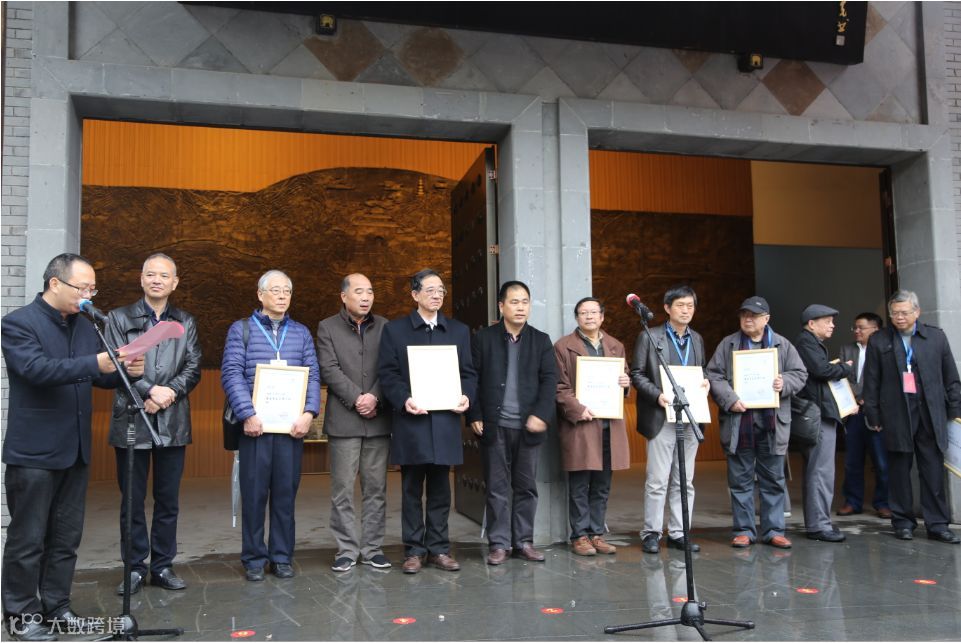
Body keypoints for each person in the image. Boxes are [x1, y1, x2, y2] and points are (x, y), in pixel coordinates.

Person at [2, 253, 142, 641]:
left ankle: (57, 608)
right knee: (28, 540)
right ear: (55, 283)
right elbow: (37, 370)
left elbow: (97, 376)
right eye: (83, 288)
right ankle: (20, 615)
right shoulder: (18, 323)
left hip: (75, 450)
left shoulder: (85, 326)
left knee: (65, 539)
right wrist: (97, 363)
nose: (88, 296)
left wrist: (126, 371)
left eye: (92, 289)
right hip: (34, 453)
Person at [105, 253, 201, 595]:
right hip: (132, 419)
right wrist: (148, 390)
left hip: (172, 421)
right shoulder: (118, 318)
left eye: (164, 275)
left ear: (175, 282)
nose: (156, 280)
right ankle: (133, 568)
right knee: (131, 501)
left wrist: (167, 393)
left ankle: (162, 566)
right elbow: (115, 364)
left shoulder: (185, 321)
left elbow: (193, 366)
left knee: (167, 500)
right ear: (141, 279)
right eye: (150, 274)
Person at [221, 270, 321, 581]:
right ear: (260, 294)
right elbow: (232, 373)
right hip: (256, 428)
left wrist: (309, 413)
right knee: (254, 495)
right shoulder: (241, 330)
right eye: (275, 290)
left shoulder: (301, 333)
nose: (281, 296)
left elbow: (313, 375)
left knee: (285, 495)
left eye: (287, 291)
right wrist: (247, 414)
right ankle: (253, 558)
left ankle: (281, 556)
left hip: (291, 429)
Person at [377, 269, 477, 574]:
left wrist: (466, 396)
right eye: (430, 290)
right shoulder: (395, 331)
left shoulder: (458, 331)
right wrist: (403, 399)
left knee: (440, 490)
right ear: (415, 295)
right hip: (412, 421)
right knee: (411, 489)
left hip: (445, 421)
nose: (437, 295)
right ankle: (414, 551)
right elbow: (388, 373)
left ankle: (439, 548)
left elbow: (468, 373)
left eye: (441, 290)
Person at [467, 281, 557, 565]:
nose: (520, 307)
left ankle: (524, 542)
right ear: (501, 306)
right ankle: (499, 543)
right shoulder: (483, 339)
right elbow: (472, 379)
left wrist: (541, 414)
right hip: (494, 425)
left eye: (525, 302)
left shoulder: (541, 340)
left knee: (526, 487)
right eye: (514, 302)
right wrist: (474, 415)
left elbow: (550, 381)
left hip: (528, 427)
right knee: (496, 487)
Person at [706, 296, 807, 550]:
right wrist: (730, 399)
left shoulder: (782, 345)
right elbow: (713, 375)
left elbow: (800, 373)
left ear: (766, 319)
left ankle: (774, 530)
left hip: (772, 423)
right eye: (744, 315)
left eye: (753, 315)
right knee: (740, 480)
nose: (748, 319)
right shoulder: (728, 344)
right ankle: (743, 530)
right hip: (739, 422)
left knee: (773, 479)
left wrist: (784, 382)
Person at [862, 290, 961, 543]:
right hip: (896, 414)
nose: (899, 317)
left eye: (904, 312)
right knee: (898, 472)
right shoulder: (879, 340)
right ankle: (903, 522)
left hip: (930, 414)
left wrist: (954, 412)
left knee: (933, 471)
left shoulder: (935, 337)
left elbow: (951, 376)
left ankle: (937, 524)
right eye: (895, 313)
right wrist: (873, 415)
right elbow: (871, 381)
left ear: (917, 312)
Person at [316, 274, 391, 573]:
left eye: (370, 292)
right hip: (344, 420)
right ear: (344, 296)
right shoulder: (327, 327)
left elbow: (390, 367)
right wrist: (357, 398)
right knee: (343, 490)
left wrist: (374, 397)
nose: (366, 297)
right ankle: (346, 549)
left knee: (376, 489)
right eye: (359, 291)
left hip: (378, 420)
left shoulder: (385, 326)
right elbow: (328, 368)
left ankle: (372, 549)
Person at [630, 285, 709, 554]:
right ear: (667, 308)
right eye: (680, 305)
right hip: (661, 415)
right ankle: (651, 532)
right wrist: (657, 395)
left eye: (690, 306)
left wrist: (705, 382)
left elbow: (701, 370)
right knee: (657, 479)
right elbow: (637, 374)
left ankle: (679, 532)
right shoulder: (650, 337)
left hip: (690, 415)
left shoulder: (697, 339)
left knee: (684, 480)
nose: (686, 311)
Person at [555, 297, 631, 556]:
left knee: (602, 485)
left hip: (609, 424)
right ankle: (579, 536)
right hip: (582, 424)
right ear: (577, 318)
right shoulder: (563, 347)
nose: (589, 316)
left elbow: (624, 377)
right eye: (583, 313)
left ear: (602, 316)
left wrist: (625, 383)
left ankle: (597, 533)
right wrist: (578, 409)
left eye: (593, 312)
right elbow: (560, 387)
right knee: (579, 484)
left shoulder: (615, 346)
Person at [793, 304, 854, 543]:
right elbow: (821, 370)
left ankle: (820, 522)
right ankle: (819, 525)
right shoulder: (806, 342)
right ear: (811, 324)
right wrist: (844, 368)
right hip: (818, 415)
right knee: (820, 471)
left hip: (820, 413)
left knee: (819, 470)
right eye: (827, 321)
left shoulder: (811, 343)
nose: (832, 325)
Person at [837, 312, 890, 519]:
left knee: (882, 462)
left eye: (861, 327)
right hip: (853, 413)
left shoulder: (886, 349)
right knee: (852, 461)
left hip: (877, 414)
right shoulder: (847, 349)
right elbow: (841, 378)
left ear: (875, 329)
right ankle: (852, 501)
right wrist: (856, 398)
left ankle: (883, 503)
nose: (857, 331)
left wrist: (867, 399)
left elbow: (886, 380)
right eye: (855, 327)